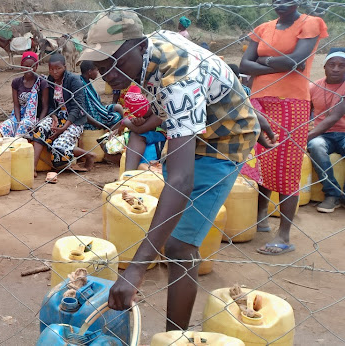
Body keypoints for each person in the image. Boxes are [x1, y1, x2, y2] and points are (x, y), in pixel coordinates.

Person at [84, 10, 271, 331]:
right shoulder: (156, 46)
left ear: (140, 45)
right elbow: (210, 66)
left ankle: (176, 336)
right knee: (174, 228)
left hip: (225, 138)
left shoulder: (176, 79)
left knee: (179, 247)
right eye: (101, 67)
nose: (108, 75)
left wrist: (135, 270)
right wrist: (152, 120)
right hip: (193, 127)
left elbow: (183, 180)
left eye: (114, 62)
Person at [240, 0, 328, 255]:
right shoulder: (262, 28)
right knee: (262, 159)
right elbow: (244, 65)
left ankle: (285, 235)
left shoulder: (310, 23)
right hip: (259, 100)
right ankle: (261, 219)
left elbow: (297, 61)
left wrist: (263, 61)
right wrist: (278, 62)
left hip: (291, 101)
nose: (280, 4)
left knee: (287, 163)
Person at [31, 53, 94, 181]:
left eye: (58, 68)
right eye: (51, 69)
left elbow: (78, 107)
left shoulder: (74, 81)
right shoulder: (50, 80)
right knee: (40, 129)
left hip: (74, 120)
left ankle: (89, 155)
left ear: (64, 67)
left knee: (58, 152)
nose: (54, 72)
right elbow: (49, 105)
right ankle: (33, 167)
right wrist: (53, 117)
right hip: (59, 117)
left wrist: (63, 128)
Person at [307, 49, 345, 213]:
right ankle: (332, 194)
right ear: (324, 67)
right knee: (315, 146)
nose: (336, 69)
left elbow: (334, 117)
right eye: (332, 64)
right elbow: (305, 114)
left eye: (342, 65)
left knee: (311, 140)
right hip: (323, 135)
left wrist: (306, 136)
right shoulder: (313, 87)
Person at [0, 51, 50, 137]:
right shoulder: (16, 82)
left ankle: (17, 144)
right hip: (19, 115)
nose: (29, 69)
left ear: (36, 67)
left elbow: (45, 107)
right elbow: (16, 105)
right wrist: (18, 121)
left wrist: (39, 123)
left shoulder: (42, 83)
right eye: (26, 66)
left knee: (24, 125)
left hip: (35, 117)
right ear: (21, 66)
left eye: (32, 66)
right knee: (5, 126)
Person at [118, 85, 166, 171]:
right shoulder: (148, 108)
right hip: (155, 136)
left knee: (136, 135)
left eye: (143, 111)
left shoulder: (160, 108)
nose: (140, 115)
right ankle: (129, 174)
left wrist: (125, 121)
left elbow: (140, 130)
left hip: (169, 139)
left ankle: (129, 173)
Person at [79, 59, 123, 130]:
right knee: (117, 117)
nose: (98, 73)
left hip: (98, 108)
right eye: (96, 70)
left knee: (118, 107)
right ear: (90, 72)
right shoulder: (81, 84)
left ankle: (117, 129)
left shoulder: (86, 82)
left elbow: (95, 102)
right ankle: (110, 132)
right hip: (92, 114)